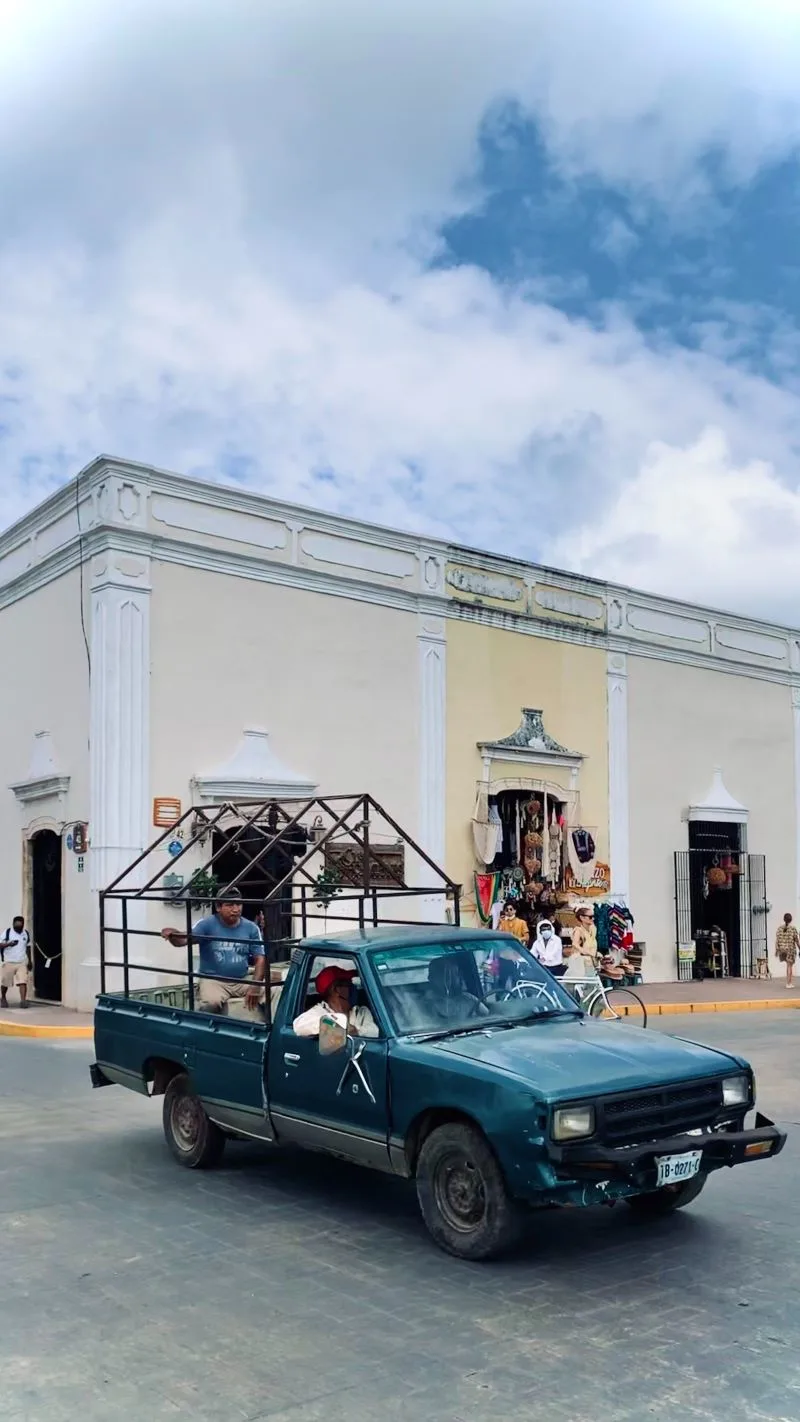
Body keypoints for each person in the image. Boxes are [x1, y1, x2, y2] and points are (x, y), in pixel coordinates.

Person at [161, 889, 265, 1013]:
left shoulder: (251, 928)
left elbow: (260, 958)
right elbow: (183, 941)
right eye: (230, 905)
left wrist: (255, 986)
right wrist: (173, 934)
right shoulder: (207, 924)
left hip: (241, 980)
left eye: (239, 904)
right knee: (211, 1004)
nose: (236, 909)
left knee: (276, 992)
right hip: (214, 980)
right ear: (218, 907)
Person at [293, 965, 379, 1037]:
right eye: (348, 984)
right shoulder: (319, 1011)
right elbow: (299, 1026)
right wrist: (335, 1025)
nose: (353, 987)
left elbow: (374, 1031)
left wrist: (355, 1031)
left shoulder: (361, 1012)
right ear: (336, 990)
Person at [422, 955, 489, 1024]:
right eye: (446, 976)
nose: (451, 980)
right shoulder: (423, 1006)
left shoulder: (469, 999)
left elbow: (489, 1018)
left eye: (455, 974)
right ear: (431, 978)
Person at [0, 915, 31, 1009]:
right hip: (9, 961)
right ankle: (3, 998)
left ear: (23, 924)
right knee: (5, 982)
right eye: (16, 925)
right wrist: (9, 944)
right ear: (13, 924)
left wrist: (30, 960)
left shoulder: (25, 933)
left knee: (23, 981)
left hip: (21, 962)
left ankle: (23, 1000)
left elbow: (28, 947)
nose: (18, 927)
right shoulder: (7, 932)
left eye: (20, 925)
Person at [774, 912, 799, 989]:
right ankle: (789, 983)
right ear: (791, 920)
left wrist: (777, 950)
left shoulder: (779, 928)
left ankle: (788, 982)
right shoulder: (793, 928)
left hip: (782, 949)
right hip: (790, 949)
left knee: (787, 965)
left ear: (784, 919)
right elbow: (796, 940)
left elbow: (777, 939)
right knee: (789, 966)